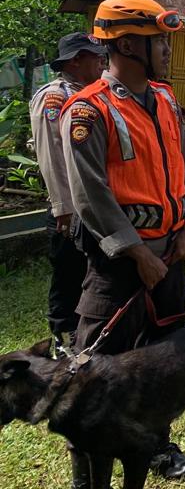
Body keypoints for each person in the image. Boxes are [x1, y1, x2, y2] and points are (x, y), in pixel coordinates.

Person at [61, 0, 185, 482]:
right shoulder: (88, 110)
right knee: (96, 366)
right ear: (126, 45)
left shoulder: (164, 99)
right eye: (158, 40)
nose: (166, 49)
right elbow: (90, 195)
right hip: (121, 262)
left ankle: (158, 448)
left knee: (164, 360)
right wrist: (138, 253)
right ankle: (87, 472)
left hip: (172, 252)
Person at [29, 32, 106, 347]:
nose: (102, 61)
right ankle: (63, 339)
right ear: (75, 61)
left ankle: (88, 334)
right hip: (70, 206)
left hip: (93, 203)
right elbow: (52, 154)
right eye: (95, 56)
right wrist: (63, 207)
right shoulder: (55, 97)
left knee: (92, 272)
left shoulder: (91, 94)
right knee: (69, 273)